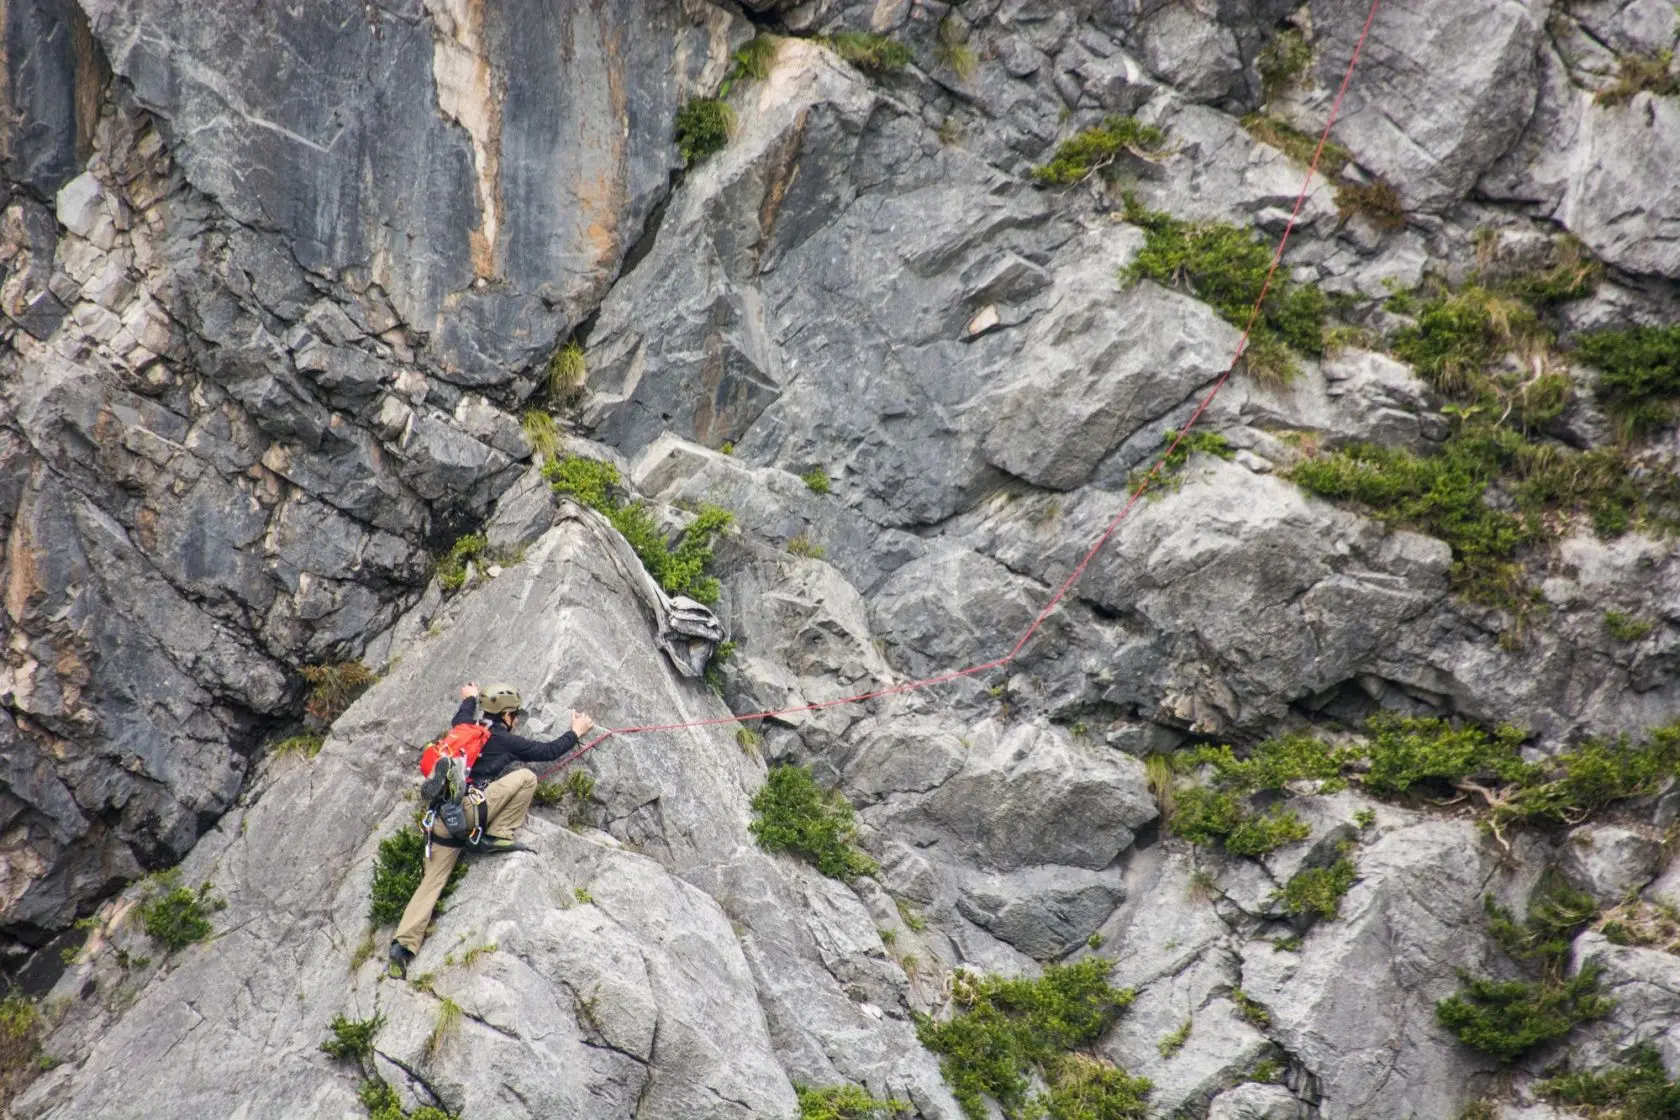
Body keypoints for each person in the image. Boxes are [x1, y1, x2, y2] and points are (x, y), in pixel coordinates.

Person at [388, 681, 595, 979]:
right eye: (515, 716)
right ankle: (498, 835)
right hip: (472, 813)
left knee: (430, 884)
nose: (517, 721)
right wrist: (575, 731)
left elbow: (459, 716)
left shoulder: (464, 730)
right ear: (507, 715)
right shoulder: (504, 741)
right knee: (525, 777)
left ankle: (401, 947)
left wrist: (471, 699)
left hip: (439, 824)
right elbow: (548, 751)